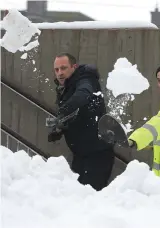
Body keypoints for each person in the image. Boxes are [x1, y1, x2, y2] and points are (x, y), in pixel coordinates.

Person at [48, 52, 114, 191]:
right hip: (81, 154)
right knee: (77, 197)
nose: (60, 73)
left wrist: (62, 113)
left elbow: (83, 95)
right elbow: (77, 114)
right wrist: (60, 128)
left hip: (97, 154)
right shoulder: (67, 87)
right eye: (56, 69)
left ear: (74, 67)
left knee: (88, 198)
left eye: (64, 68)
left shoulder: (86, 80)